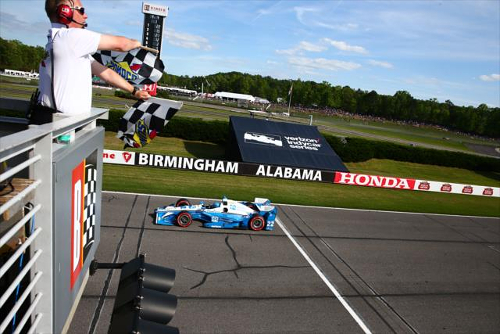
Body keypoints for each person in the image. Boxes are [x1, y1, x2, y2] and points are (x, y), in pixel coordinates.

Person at [32, 0, 150, 124]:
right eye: (81, 10)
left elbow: (106, 73)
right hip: (60, 124)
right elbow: (122, 45)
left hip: (52, 118)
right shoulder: (70, 37)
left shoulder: (63, 42)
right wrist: (135, 43)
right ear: (65, 11)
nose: (85, 16)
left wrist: (134, 91)